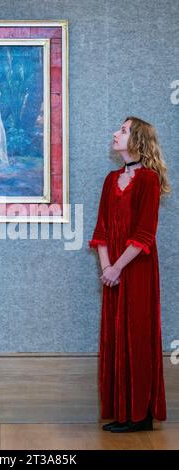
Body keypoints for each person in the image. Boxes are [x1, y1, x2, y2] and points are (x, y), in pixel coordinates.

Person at [88, 116, 171, 433]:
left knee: (136, 336)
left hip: (136, 271)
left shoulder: (149, 180)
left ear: (137, 139)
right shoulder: (111, 181)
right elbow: (102, 230)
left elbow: (144, 233)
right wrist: (107, 268)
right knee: (115, 336)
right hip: (115, 273)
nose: (115, 133)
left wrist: (117, 267)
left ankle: (140, 414)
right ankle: (122, 412)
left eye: (122, 131)